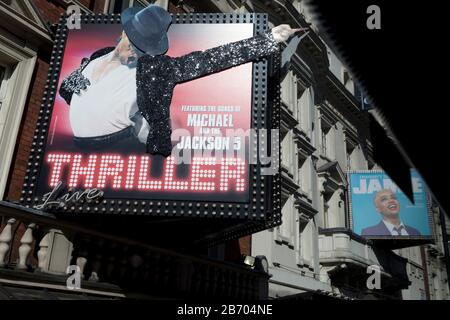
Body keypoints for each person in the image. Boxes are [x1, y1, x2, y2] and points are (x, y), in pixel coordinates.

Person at [59, 4, 307, 156]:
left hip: (114, 149)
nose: (136, 52)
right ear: (124, 32)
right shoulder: (95, 56)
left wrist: (268, 40)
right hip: (71, 149)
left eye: (143, 48)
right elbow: (68, 92)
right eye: (134, 44)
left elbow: (210, 59)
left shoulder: (154, 69)